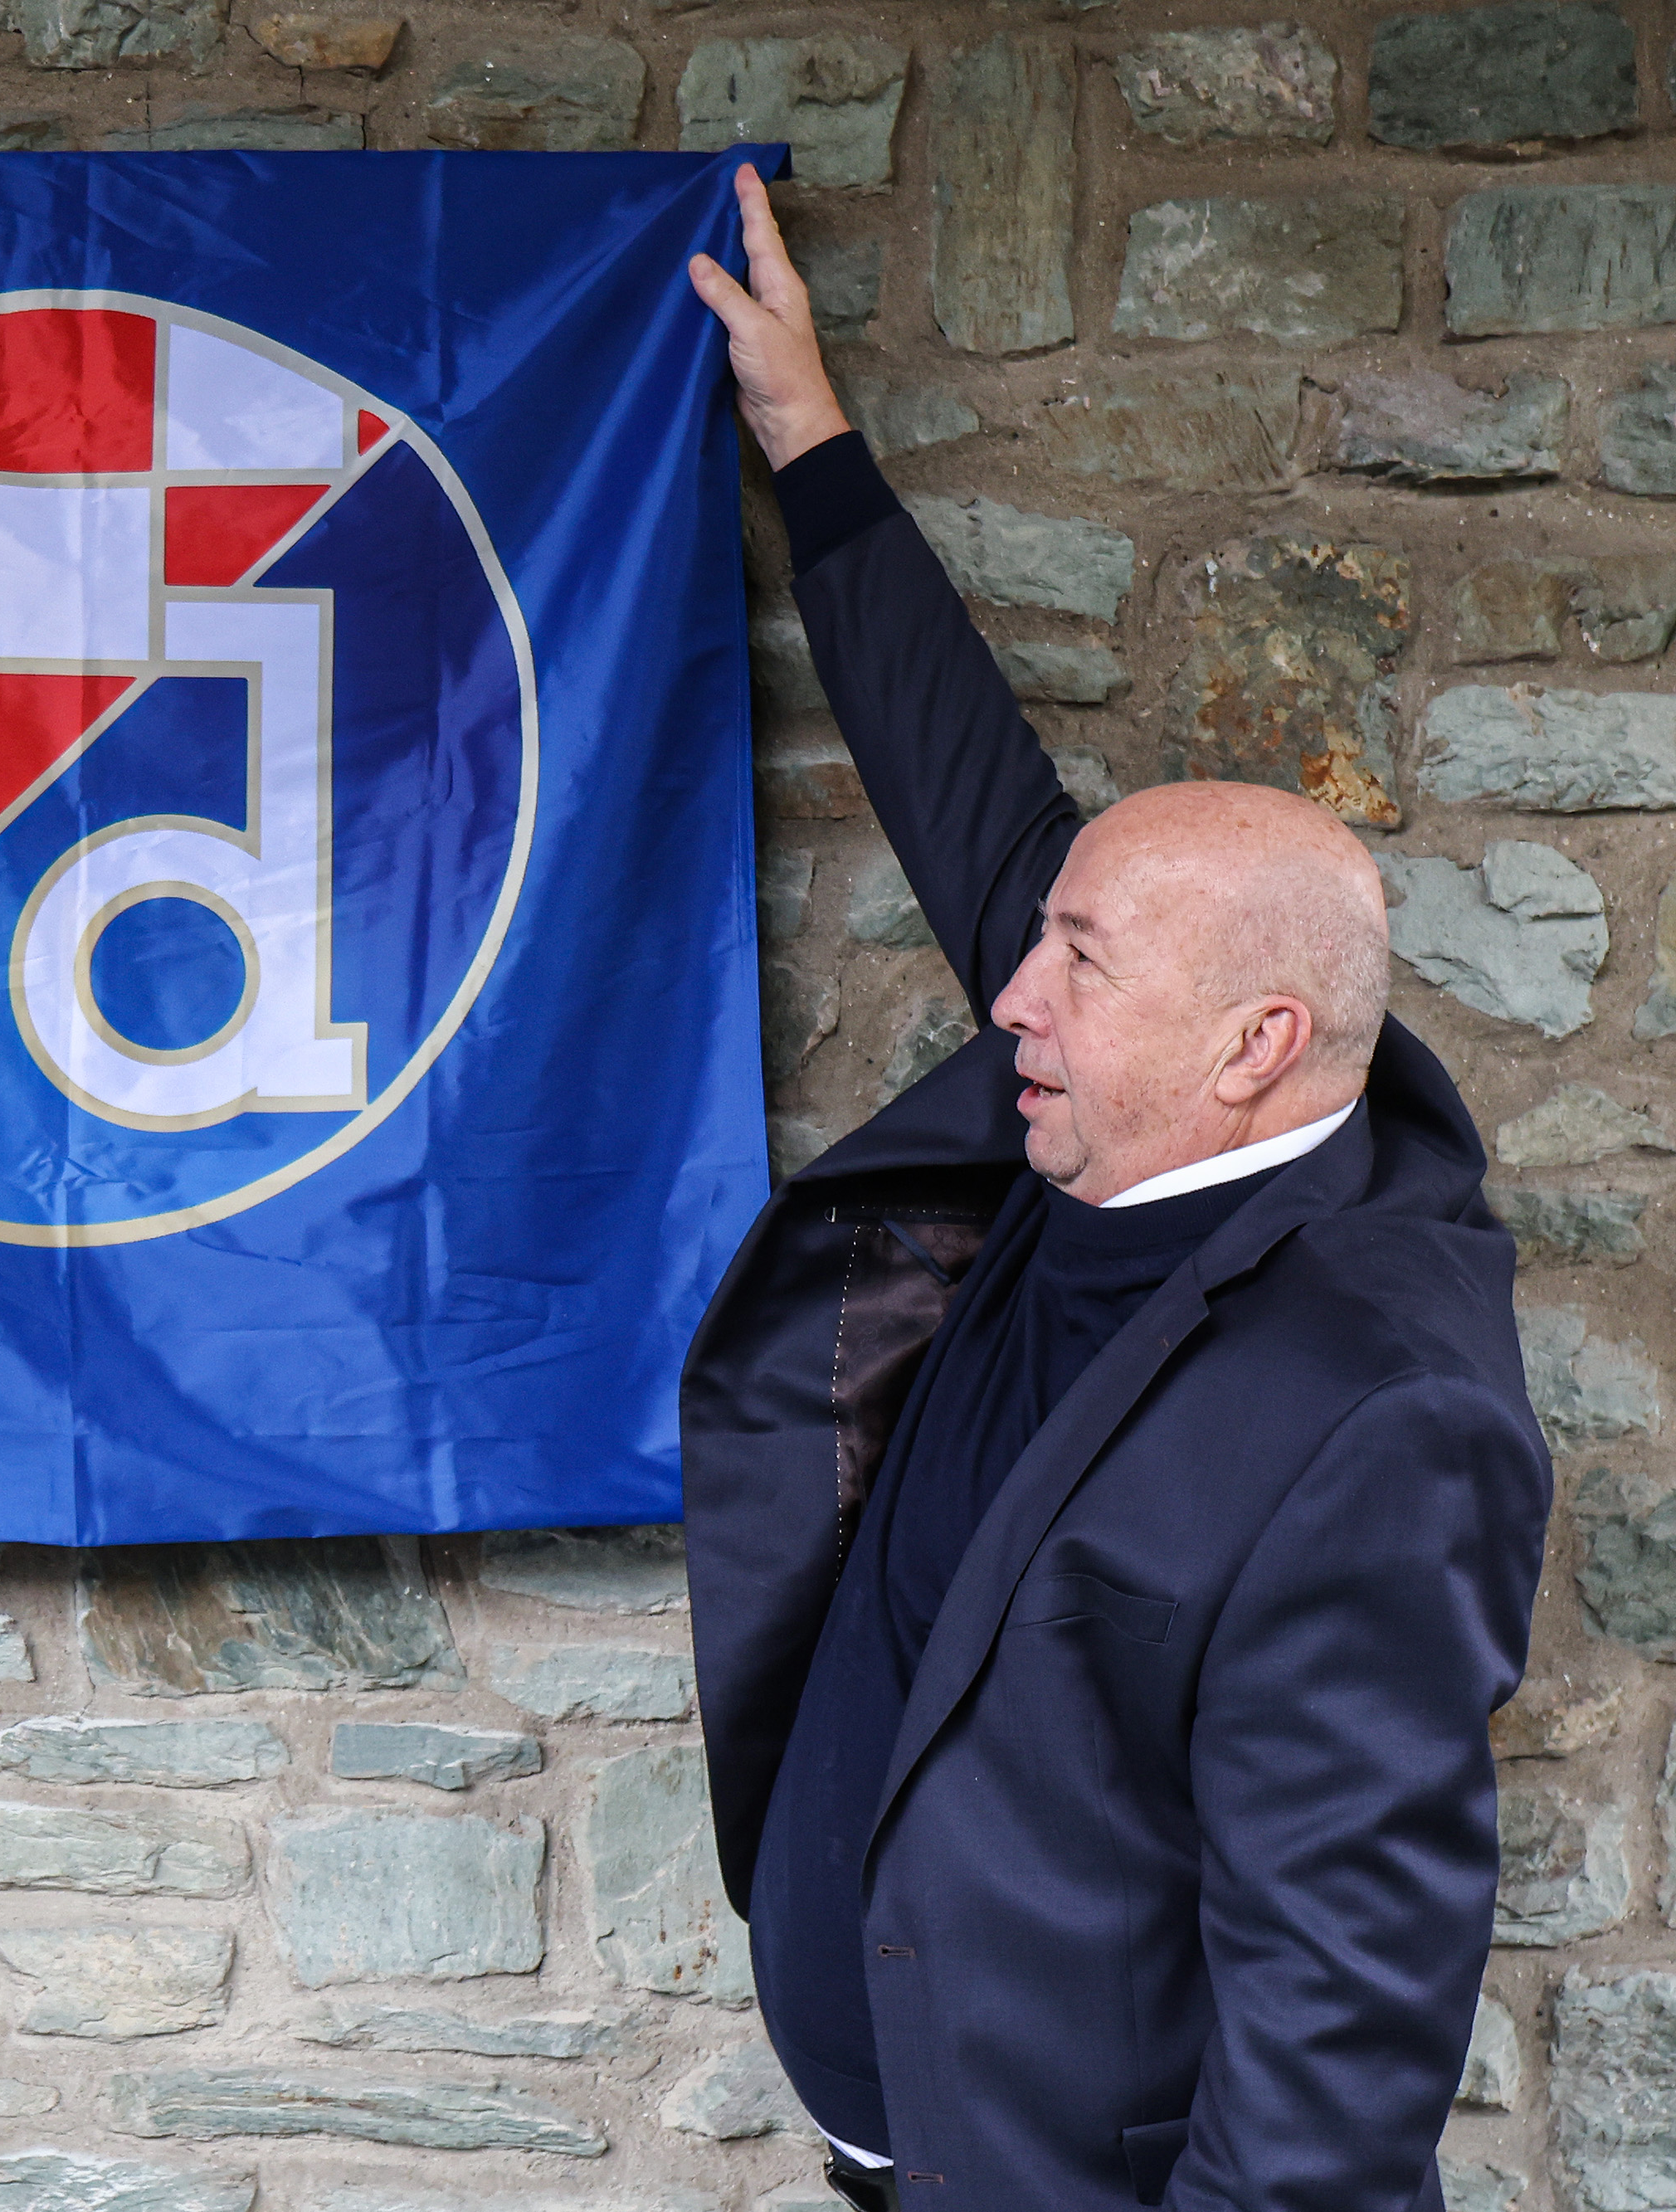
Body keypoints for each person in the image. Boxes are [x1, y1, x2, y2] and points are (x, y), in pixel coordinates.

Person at [680, 164, 1550, 2210]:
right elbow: (966, 789)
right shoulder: (1116, 1084)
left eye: (1071, 959)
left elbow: (1336, 2024)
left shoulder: (1379, 1411)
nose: (1008, 993)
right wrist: (805, 435)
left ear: (1252, 1042)